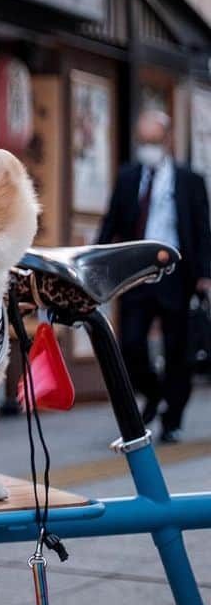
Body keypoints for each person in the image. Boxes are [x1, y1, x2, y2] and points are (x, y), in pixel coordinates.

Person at [98, 109, 211, 443]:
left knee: (179, 349)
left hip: (177, 273)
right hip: (137, 271)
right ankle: (154, 391)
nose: (148, 147)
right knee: (130, 343)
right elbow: (111, 223)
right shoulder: (129, 176)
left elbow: (203, 230)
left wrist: (205, 274)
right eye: (143, 141)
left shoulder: (190, 180)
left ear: (168, 140)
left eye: (154, 141)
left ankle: (172, 417)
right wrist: (94, 262)